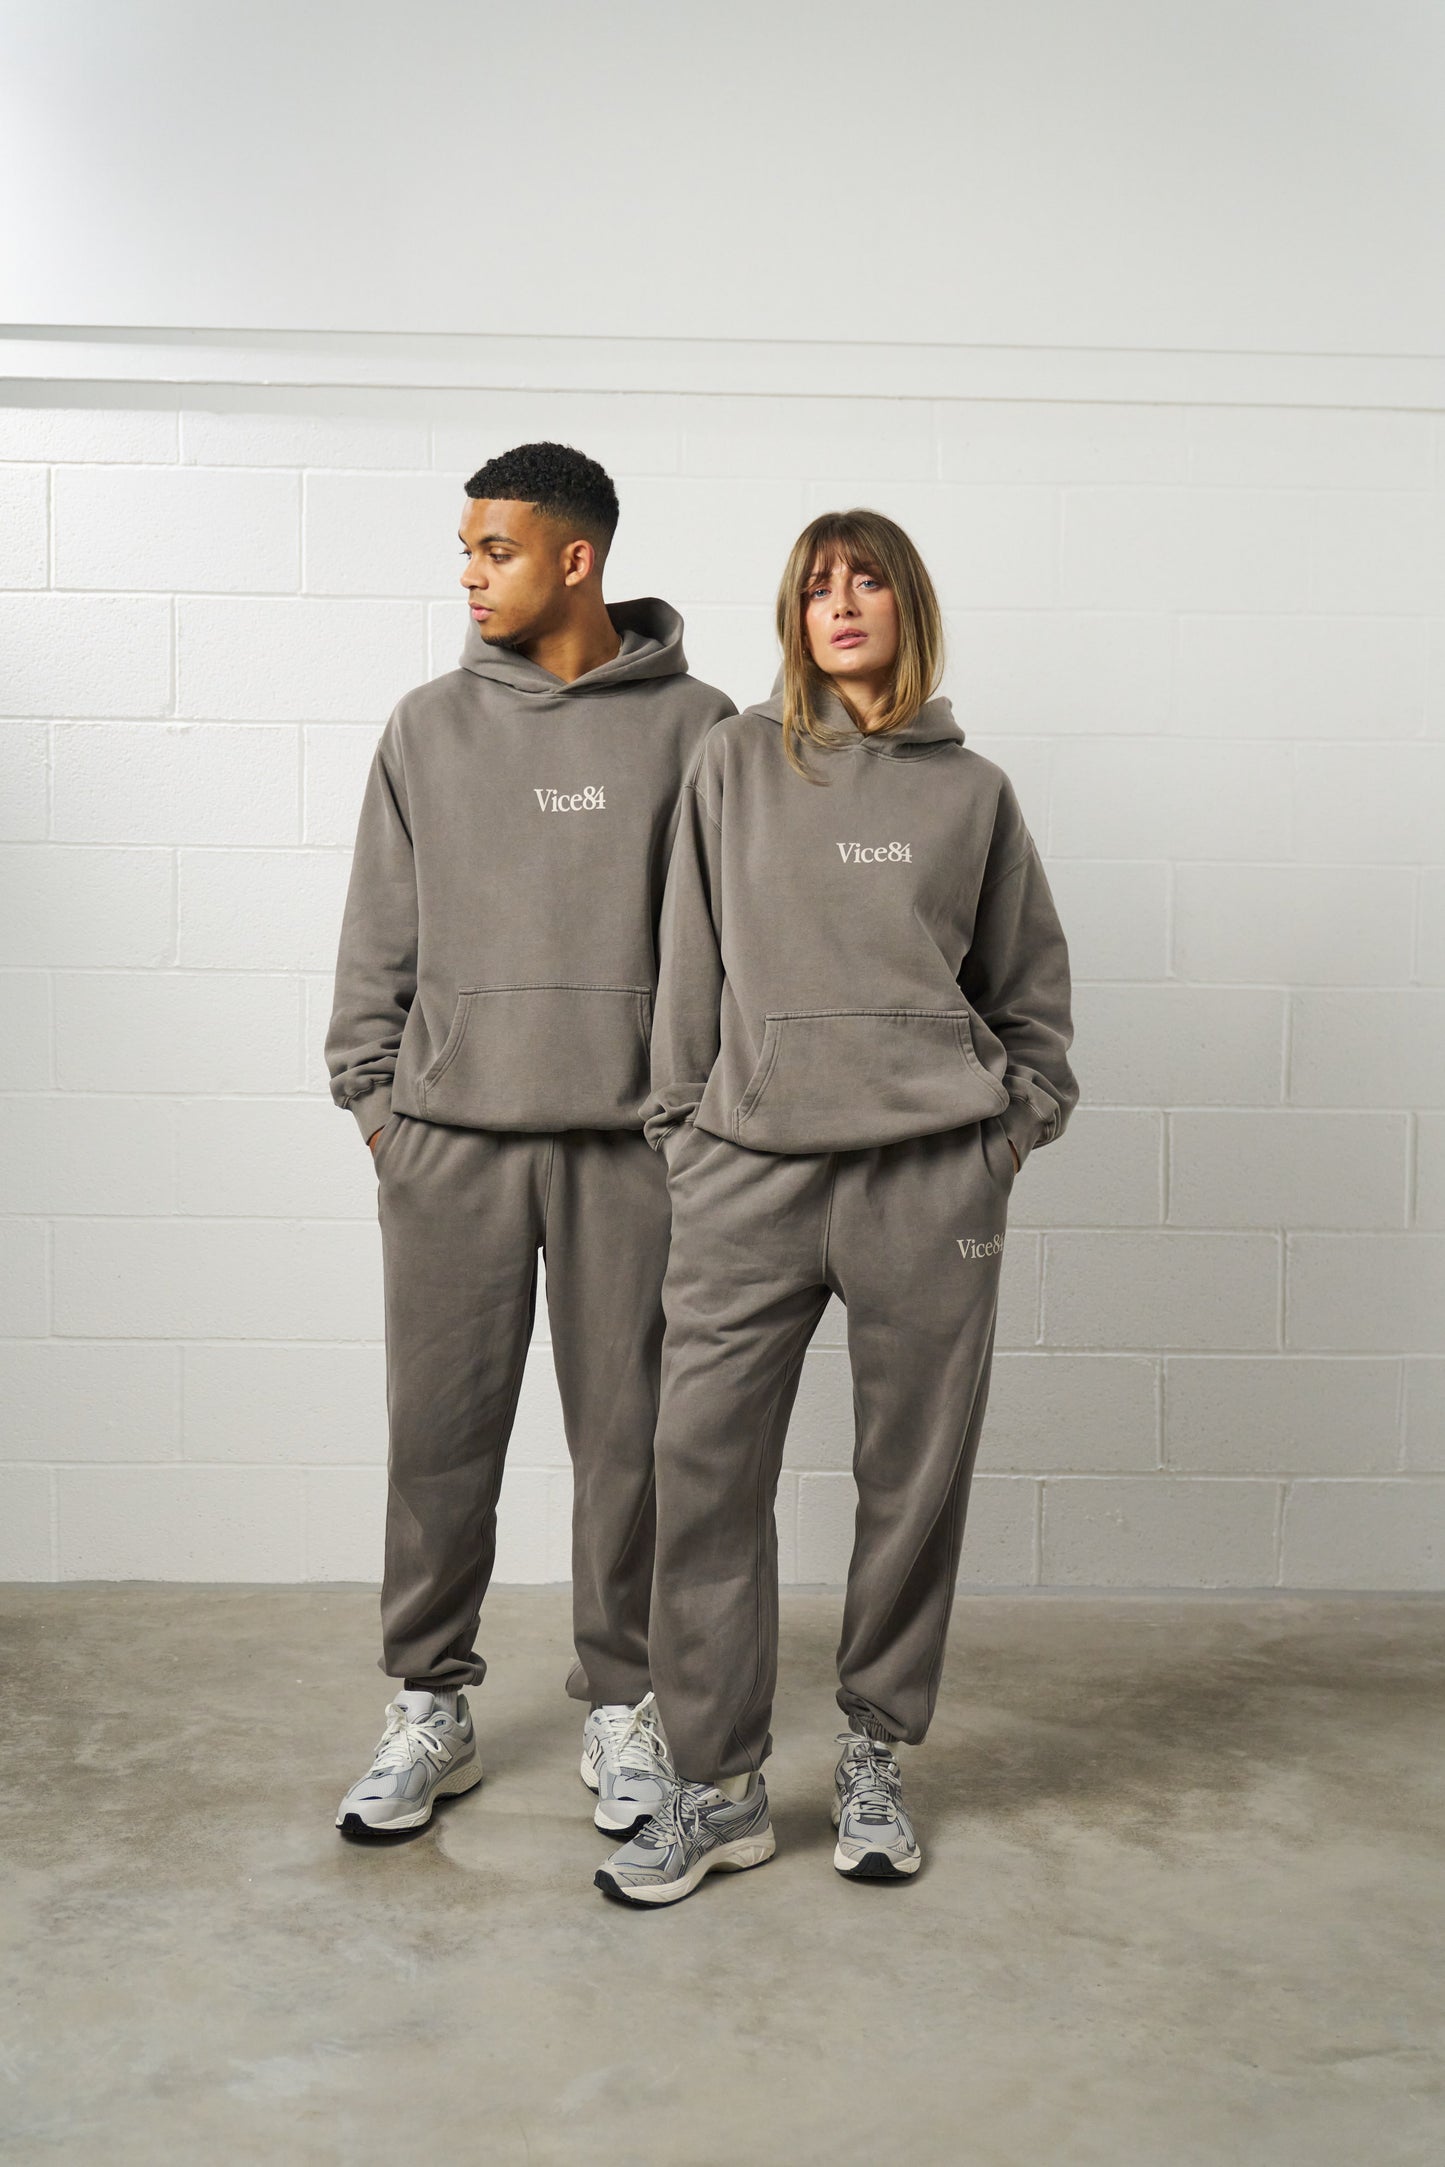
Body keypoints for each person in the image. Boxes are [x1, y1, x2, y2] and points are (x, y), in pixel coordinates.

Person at [596, 508, 1078, 1906]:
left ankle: (873, 1752)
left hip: (930, 1180)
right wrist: (683, 1133)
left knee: (910, 1482)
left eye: (866, 580)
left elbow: (1027, 992)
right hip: (746, 1173)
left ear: (905, 603)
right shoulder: (733, 762)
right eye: (817, 585)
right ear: (793, 616)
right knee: (700, 1474)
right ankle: (718, 1787)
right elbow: (685, 963)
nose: (842, 602)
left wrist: (1009, 1129)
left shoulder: (973, 793)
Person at [327, 441, 735, 1840]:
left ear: (577, 559)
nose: (468, 574)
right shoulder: (428, 726)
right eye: (464, 549)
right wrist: (376, 1105)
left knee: (632, 1447)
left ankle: (623, 1702)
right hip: (450, 1145)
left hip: (635, 1151)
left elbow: (728, 944)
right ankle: (428, 1702)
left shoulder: (700, 729)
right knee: (438, 1438)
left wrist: (697, 1121)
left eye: (492, 549)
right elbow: (379, 930)